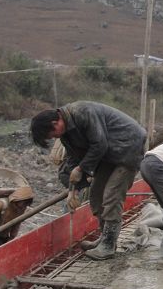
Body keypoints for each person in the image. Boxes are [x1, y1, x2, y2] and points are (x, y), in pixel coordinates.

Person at [31, 101, 147, 260]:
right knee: (96, 195)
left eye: (53, 134)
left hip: (128, 148)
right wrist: (72, 188)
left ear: (55, 123)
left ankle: (109, 245)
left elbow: (99, 144)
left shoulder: (83, 113)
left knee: (111, 196)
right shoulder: (65, 134)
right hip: (109, 154)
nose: (54, 137)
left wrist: (81, 169)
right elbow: (74, 157)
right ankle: (105, 237)